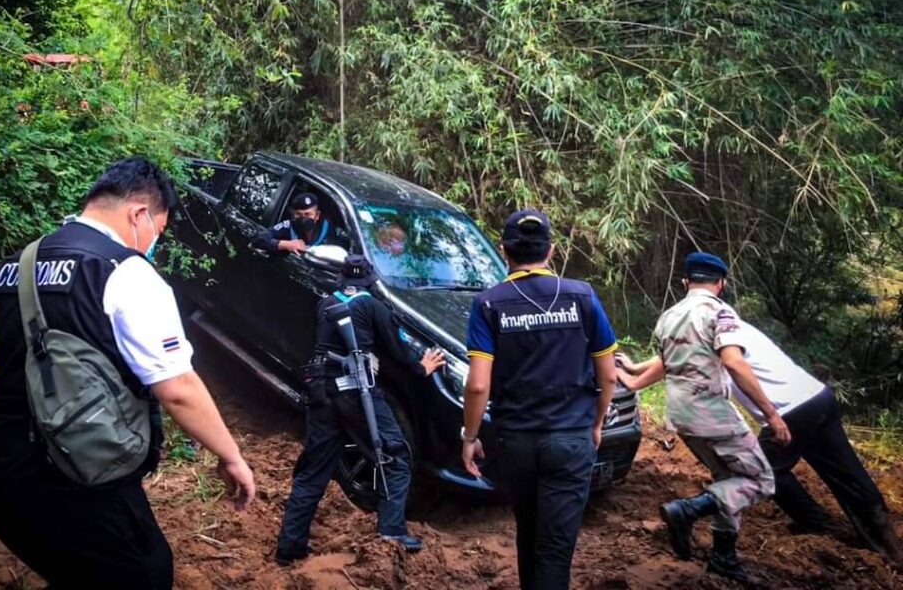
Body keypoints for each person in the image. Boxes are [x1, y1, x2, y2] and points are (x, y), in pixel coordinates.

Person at [0, 156, 255, 590]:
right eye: (158, 230)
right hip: (84, 486)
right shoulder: (125, 272)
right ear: (139, 214)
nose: (154, 242)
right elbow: (177, 388)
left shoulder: (11, 270)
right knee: (144, 573)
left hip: (9, 489)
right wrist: (231, 456)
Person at [617, 321, 903, 569]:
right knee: (847, 472)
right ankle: (888, 545)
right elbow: (671, 358)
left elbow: (681, 359)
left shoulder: (710, 330)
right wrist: (635, 368)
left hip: (788, 411)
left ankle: (814, 523)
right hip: (817, 397)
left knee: (761, 472)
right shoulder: (730, 324)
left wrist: (634, 382)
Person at [461, 209, 618, 590]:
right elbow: (609, 374)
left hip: (515, 441)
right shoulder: (582, 296)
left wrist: (470, 436)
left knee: (528, 532)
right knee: (554, 550)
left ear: (503, 251)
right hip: (571, 437)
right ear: (551, 250)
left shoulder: (488, 304)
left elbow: (478, 385)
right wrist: (597, 422)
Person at [615, 251, 788, 582]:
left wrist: (634, 374)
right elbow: (734, 361)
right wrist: (771, 414)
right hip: (712, 413)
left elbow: (668, 363)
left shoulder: (669, 316)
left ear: (685, 281)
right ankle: (688, 510)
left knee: (728, 480)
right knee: (760, 480)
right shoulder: (719, 312)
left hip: (680, 414)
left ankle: (724, 559)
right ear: (721, 283)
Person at [276, 255, 445, 564]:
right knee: (396, 455)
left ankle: (290, 547)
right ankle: (391, 532)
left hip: (321, 393)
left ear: (342, 279)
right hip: (357, 394)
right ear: (370, 280)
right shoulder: (373, 307)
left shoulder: (325, 304)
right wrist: (422, 368)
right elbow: (398, 353)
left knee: (313, 471)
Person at [252, 191, 348, 256]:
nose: (303, 218)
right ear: (294, 215)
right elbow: (259, 239)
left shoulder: (328, 227)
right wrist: (285, 244)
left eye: (307, 214)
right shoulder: (288, 226)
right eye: (299, 214)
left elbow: (342, 248)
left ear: (317, 215)